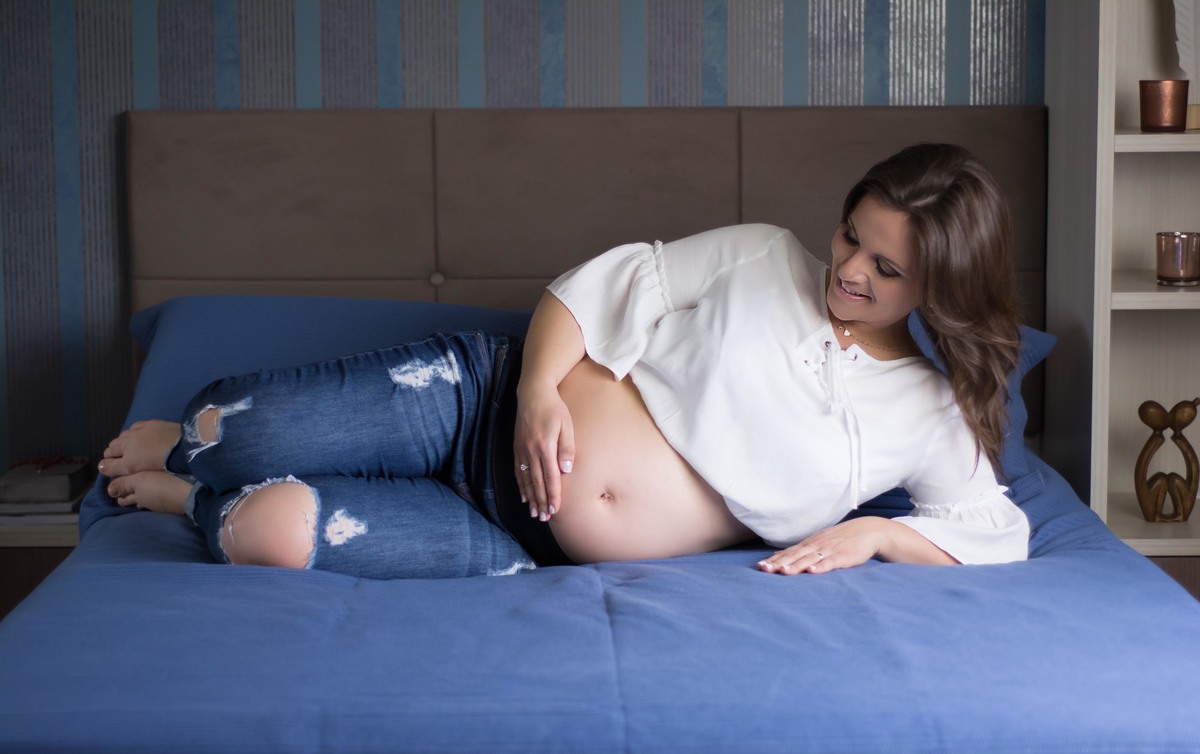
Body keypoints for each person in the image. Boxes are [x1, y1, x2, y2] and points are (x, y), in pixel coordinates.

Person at [98, 143, 1030, 579]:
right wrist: (540, 392)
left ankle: (190, 496)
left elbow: (994, 528)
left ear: (940, 287)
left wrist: (876, 535)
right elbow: (591, 291)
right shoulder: (762, 256)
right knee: (231, 431)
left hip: (521, 542)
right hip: (478, 403)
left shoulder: (926, 410)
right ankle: (190, 444)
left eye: (886, 269)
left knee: (262, 534)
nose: (851, 270)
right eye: (851, 235)